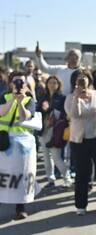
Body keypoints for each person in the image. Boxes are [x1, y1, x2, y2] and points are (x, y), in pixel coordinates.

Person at [64, 69, 96, 216]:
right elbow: (73, 115)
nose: (82, 81)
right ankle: (81, 205)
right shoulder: (70, 98)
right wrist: (76, 97)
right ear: (74, 82)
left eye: (84, 78)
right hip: (79, 141)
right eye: (78, 79)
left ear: (89, 80)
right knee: (82, 173)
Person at [0, 71, 38, 220]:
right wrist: (13, 100)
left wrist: (21, 102)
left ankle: (20, 208)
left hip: (23, 148)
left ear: (26, 84)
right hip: (4, 143)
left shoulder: (29, 100)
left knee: (20, 175)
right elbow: (1, 112)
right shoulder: (3, 96)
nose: (19, 85)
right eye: (16, 82)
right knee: (3, 174)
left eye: (22, 82)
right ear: (10, 84)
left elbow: (25, 116)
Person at [37, 75, 71, 188]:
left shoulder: (62, 97)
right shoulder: (43, 96)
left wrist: (50, 109)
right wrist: (42, 109)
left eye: (54, 83)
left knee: (56, 157)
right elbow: (36, 111)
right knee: (46, 157)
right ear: (46, 84)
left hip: (56, 131)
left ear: (58, 84)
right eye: (50, 82)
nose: (52, 85)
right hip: (43, 130)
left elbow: (65, 114)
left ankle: (67, 179)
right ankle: (50, 179)